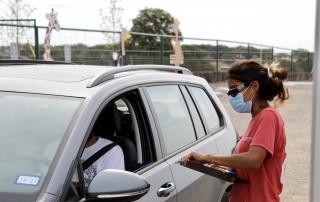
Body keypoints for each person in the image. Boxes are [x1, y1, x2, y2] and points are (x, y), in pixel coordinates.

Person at [181, 60, 290, 202]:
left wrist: (207, 157)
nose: (231, 96)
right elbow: (252, 166)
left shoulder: (269, 117)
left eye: (234, 90)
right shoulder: (257, 119)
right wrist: (227, 165)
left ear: (254, 86)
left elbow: (253, 160)